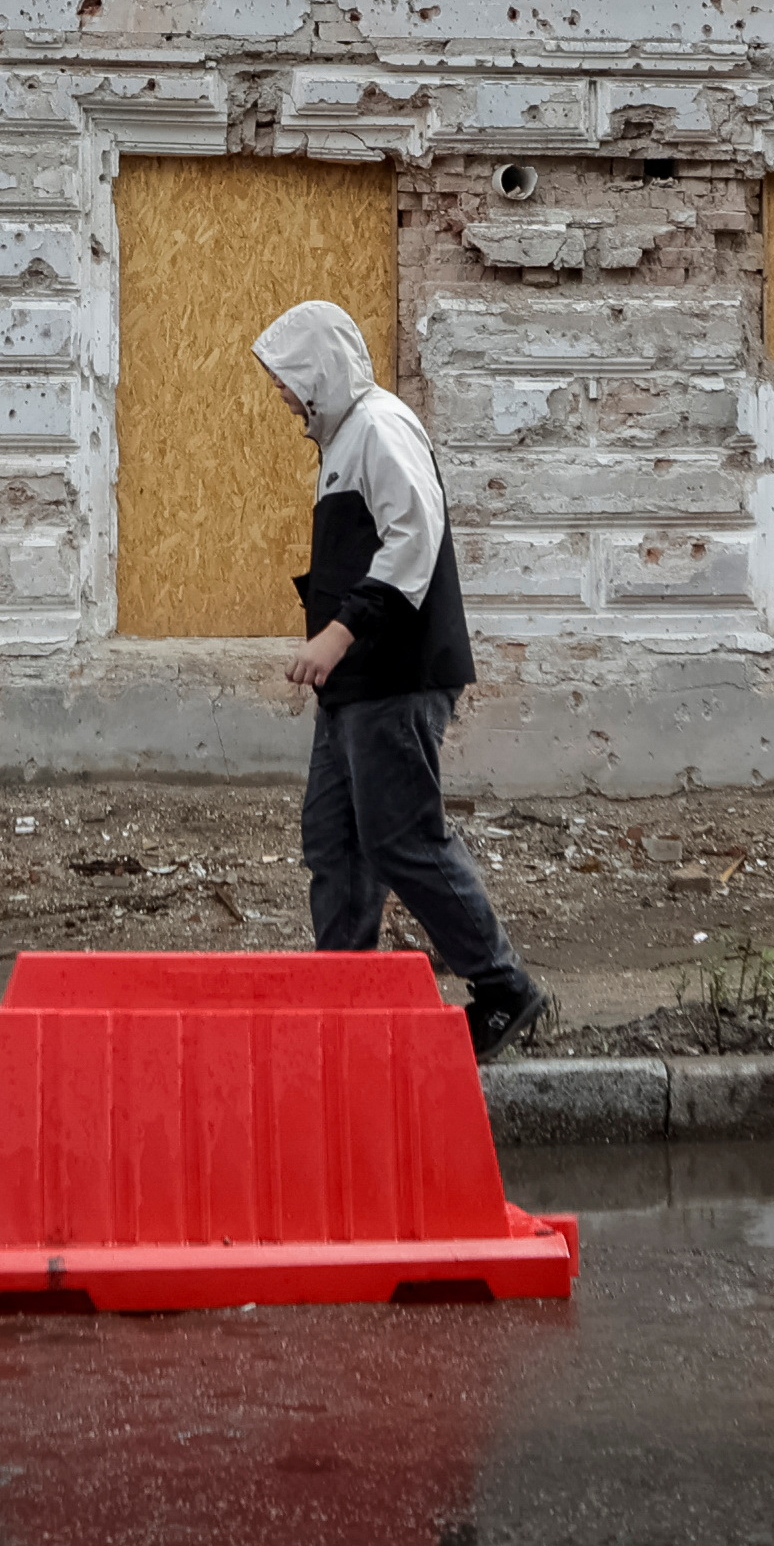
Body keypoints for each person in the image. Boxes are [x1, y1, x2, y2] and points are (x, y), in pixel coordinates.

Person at [253, 298, 554, 1061]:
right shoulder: (348, 439)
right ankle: (344, 998)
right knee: (335, 839)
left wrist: (336, 633)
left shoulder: (379, 428)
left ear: (317, 371)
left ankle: (504, 987)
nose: (282, 395)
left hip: (392, 674)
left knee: (400, 837)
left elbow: (414, 539)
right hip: (358, 684)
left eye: (287, 380)